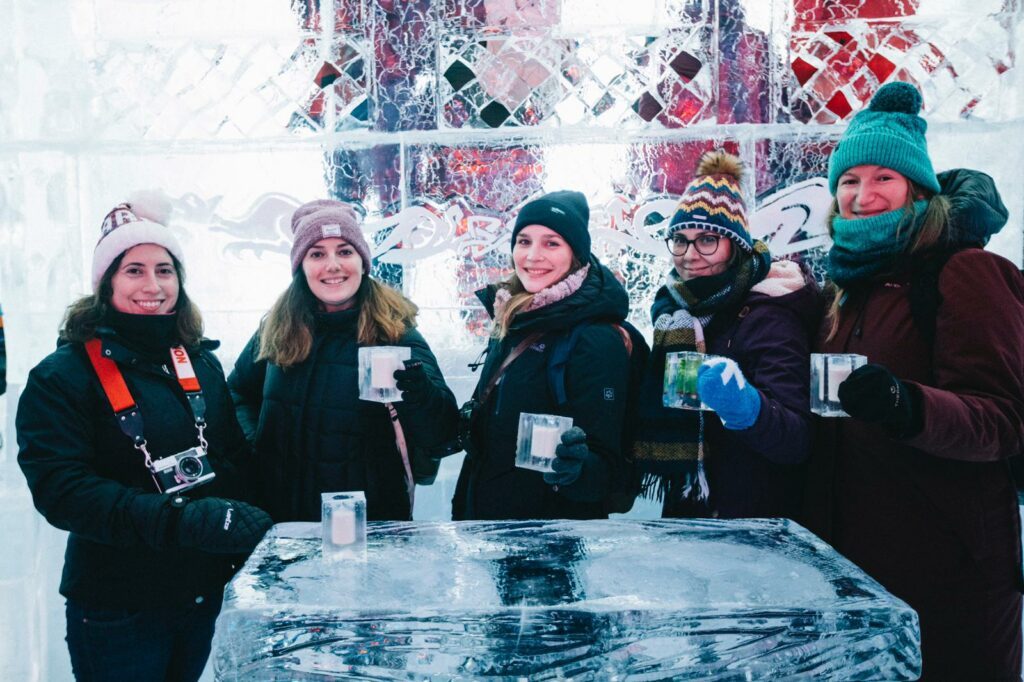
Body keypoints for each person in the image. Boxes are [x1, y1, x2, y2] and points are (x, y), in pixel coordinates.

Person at [803, 81, 1024, 679]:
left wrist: (908, 405)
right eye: (849, 180)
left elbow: (1005, 420)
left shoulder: (967, 271)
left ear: (917, 188)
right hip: (854, 563)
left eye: (883, 179)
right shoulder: (845, 287)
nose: (863, 194)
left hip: (951, 566)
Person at [16, 195, 272, 682]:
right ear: (106, 282)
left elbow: (230, 458)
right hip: (118, 606)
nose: (153, 285)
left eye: (165, 270)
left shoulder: (198, 362)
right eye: (134, 270)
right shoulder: (62, 376)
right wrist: (183, 521)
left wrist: (258, 523)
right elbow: (63, 492)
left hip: (199, 595)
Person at [228, 199, 458, 523]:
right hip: (283, 520)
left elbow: (444, 434)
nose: (333, 265)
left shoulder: (394, 332)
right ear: (301, 266)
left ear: (363, 262)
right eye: (317, 253)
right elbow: (236, 395)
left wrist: (420, 396)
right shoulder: (277, 328)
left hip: (368, 524)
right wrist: (258, 446)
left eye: (345, 251)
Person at [631, 150, 818, 519]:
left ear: (736, 246)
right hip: (690, 512)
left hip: (750, 516)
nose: (689, 255)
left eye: (707, 240)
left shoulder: (769, 314)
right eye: (680, 240)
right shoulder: (676, 312)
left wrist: (746, 407)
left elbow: (798, 440)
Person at [452, 190, 642, 520]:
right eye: (524, 241)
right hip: (488, 522)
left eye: (551, 243)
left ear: (576, 255)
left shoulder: (595, 339)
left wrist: (577, 469)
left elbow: (607, 468)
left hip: (551, 541)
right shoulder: (514, 315)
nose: (532, 255)